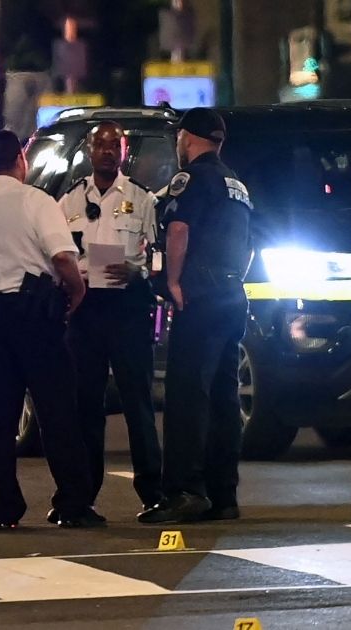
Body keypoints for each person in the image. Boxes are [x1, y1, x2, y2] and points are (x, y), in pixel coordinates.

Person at [0, 129, 101, 530]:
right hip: (36, 319)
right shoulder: (37, 201)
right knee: (58, 412)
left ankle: (5, 506)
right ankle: (72, 504)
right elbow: (63, 256)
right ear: (21, 161)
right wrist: (76, 292)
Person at [138, 107, 252, 524]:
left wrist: (172, 281)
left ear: (187, 138)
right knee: (224, 398)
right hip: (231, 293)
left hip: (201, 295)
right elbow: (248, 244)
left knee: (187, 395)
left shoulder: (193, 178)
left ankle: (184, 491)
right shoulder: (236, 182)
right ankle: (224, 495)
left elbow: (179, 228)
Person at [57, 120, 162, 519]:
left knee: (138, 403)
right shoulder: (68, 202)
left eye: (112, 145)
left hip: (127, 307)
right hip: (85, 309)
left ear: (123, 151)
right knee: (86, 404)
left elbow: (157, 253)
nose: (105, 151)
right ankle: (81, 496)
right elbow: (58, 253)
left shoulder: (142, 198)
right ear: (88, 149)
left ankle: (153, 492)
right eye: (99, 144)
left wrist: (141, 272)